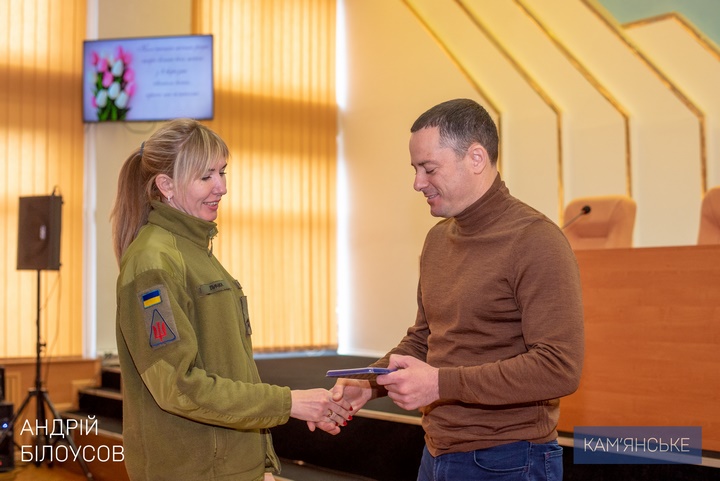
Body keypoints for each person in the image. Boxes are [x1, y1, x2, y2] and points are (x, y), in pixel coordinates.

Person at [333, 99, 584, 480]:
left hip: (510, 459)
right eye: (415, 169)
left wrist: (439, 384)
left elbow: (558, 368)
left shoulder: (536, 240)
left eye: (429, 168)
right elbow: (425, 338)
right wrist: (370, 382)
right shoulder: (438, 239)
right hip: (437, 451)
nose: (418, 183)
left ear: (476, 158)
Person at [111, 118, 351, 481]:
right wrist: (289, 403)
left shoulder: (196, 251)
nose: (221, 187)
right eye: (205, 176)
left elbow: (231, 370)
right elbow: (178, 387)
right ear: (166, 185)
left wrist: (260, 463)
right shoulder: (154, 262)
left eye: (222, 172)